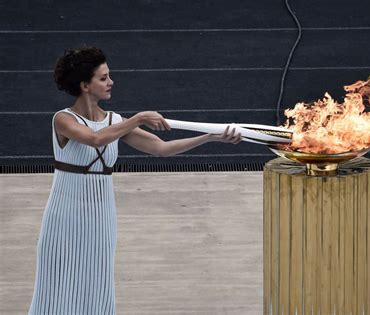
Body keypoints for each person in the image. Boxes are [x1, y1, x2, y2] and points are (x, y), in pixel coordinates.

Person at [28, 46, 241, 314]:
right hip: (64, 216)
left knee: (97, 283)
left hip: (102, 217)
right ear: (84, 85)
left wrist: (210, 137)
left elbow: (162, 148)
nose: (111, 82)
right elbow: (95, 139)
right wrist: (139, 118)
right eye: (103, 78)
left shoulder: (116, 121)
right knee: (58, 284)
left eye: (109, 76)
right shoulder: (63, 119)